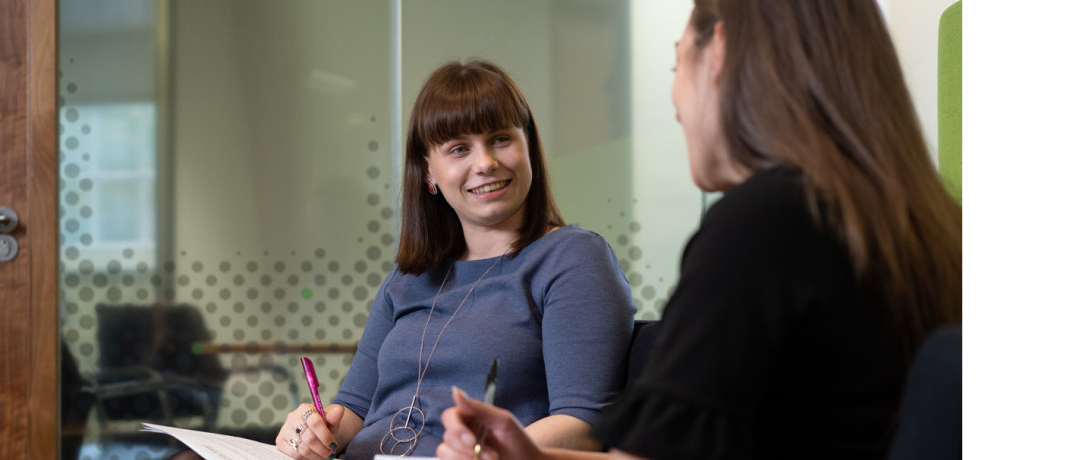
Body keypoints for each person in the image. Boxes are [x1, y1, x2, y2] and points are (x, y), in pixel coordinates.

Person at [436, 1, 963, 459]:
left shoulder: (764, 224)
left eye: (675, 61)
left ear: (721, 53)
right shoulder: (927, 221)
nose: (674, 100)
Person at [269, 60, 637, 460]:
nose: (485, 163)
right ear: (429, 169)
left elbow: (583, 426)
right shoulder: (409, 277)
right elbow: (353, 411)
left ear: (527, 144)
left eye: (500, 139)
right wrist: (313, 430)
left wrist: (479, 451)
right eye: (459, 148)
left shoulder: (572, 258)